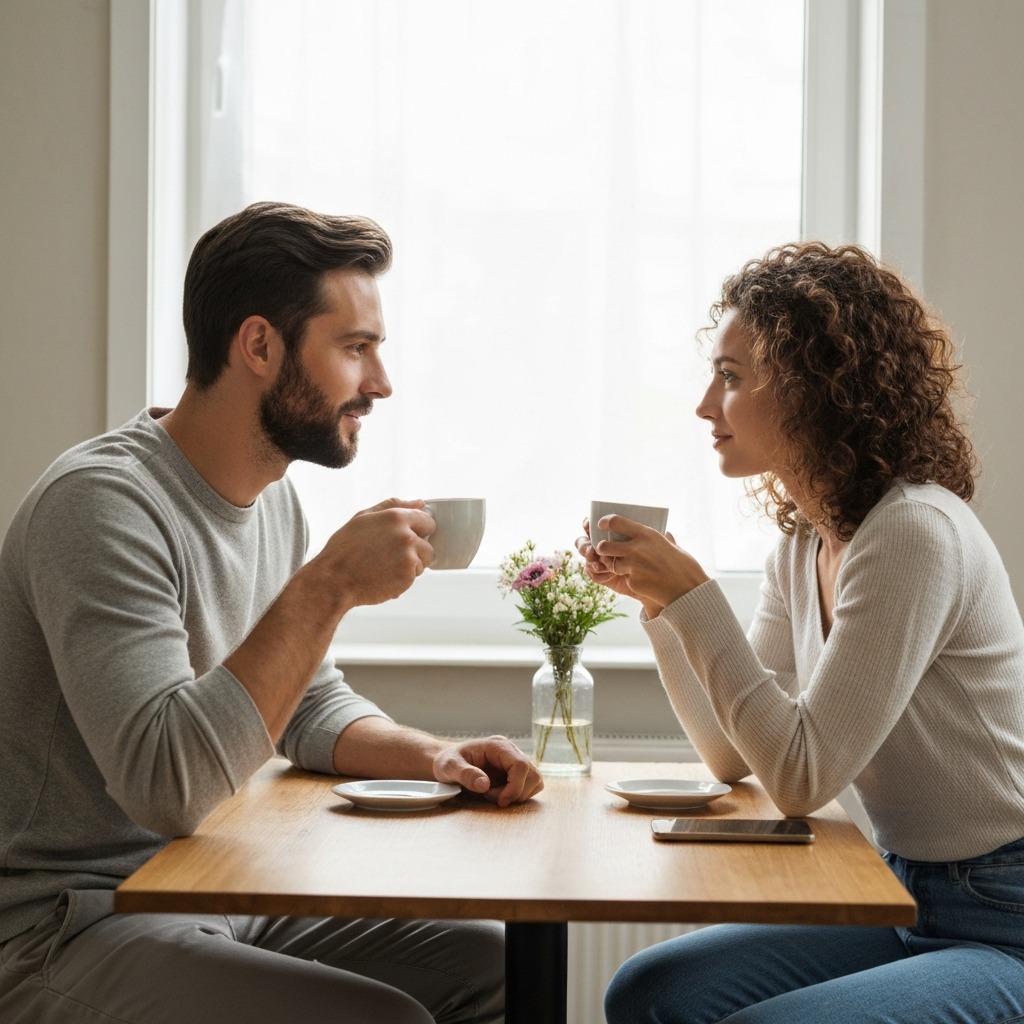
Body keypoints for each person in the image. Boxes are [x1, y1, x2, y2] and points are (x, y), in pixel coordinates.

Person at [0, 201, 543, 1024]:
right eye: (355, 348)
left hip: (203, 885)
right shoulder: (102, 505)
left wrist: (435, 756)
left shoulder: (273, 503)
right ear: (258, 345)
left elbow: (306, 705)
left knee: (494, 964)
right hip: (67, 922)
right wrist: (327, 586)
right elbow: (166, 784)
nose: (380, 383)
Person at [579, 241, 1024, 1024]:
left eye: (730, 377)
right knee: (650, 994)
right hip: (899, 888)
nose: (705, 406)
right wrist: (662, 609)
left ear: (816, 390)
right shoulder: (804, 545)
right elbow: (731, 755)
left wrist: (694, 598)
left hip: (1005, 914)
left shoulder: (912, 531)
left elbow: (799, 777)